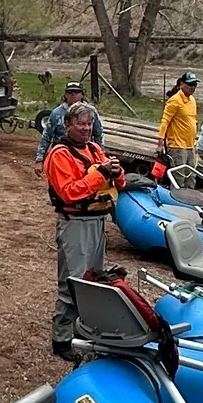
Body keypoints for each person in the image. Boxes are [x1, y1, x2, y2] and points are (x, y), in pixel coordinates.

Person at [44, 102, 124, 358]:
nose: (87, 128)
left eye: (89, 124)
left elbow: (119, 183)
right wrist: (99, 174)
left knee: (93, 279)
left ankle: (82, 330)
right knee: (73, 282)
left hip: (98, 222)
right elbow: (69, 192)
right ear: (68, 125)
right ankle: (62, 339)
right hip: (75, 223)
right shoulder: (60, 154)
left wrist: (116, 171)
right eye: (81, 124)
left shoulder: (95, 149)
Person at [35, 78, 84, 165]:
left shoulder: (90, 112)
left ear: (82, 95)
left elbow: (98, 135)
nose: (73, 94)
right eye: (70, 92)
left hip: (83, 155)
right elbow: (46, 136)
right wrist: (39, 159)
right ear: (65, 95)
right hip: (61, 156)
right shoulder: (56, 113)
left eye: (76, 92)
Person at [157, 71, 199, 165]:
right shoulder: (174, 100)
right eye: (190, 84)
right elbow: (165, 121)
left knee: (191, 176)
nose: (193, 87)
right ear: (182, 84)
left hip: (191, 145)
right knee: (179, 176)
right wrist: (160, 143)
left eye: (195, 85)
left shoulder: (192, 100)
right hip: (177, 146)